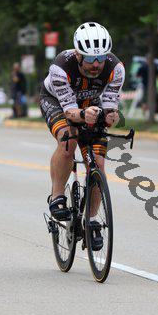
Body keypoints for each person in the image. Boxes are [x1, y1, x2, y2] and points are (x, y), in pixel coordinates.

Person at [39, 21, 125, 249]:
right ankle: (57, 196)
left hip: (90, 104)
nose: (96, 64)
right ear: (78, 54)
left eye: (101, 58)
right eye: (89, 58)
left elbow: (110, 104)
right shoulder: (61, 67)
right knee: (68, 139)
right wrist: (83, 114)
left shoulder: (115, 68)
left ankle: (91, 219)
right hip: (56, 102)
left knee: (98, 164)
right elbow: (69, 111)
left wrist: (110, 116)